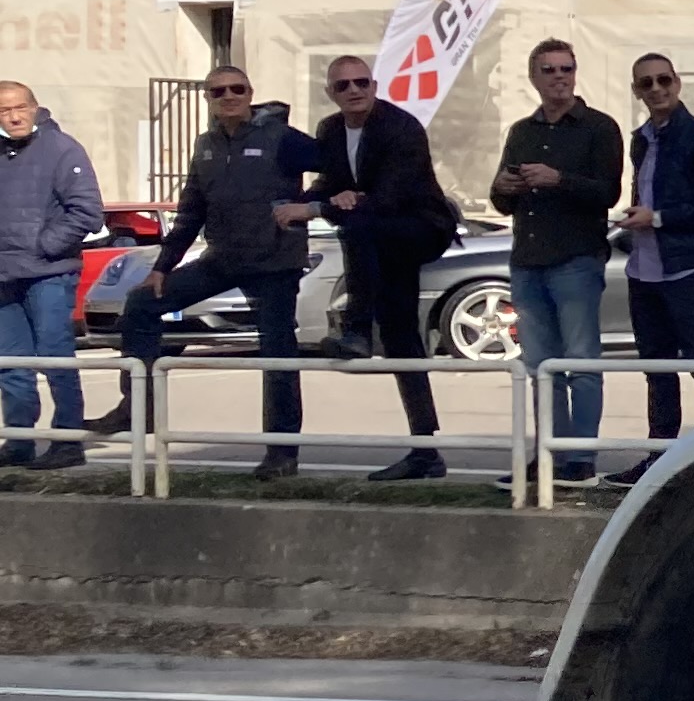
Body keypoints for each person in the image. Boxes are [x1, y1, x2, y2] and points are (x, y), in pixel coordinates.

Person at [101, 61, 319, 480]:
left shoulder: (284, 138)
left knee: (278, 356)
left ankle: (282, 453)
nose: (229, 97)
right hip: (222, 259)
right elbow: (190, 212)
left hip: (275, 263)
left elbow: (335, 165)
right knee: (142, 303)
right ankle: (137, 409)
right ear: (208, 100)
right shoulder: (206, 145)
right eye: (218, 92)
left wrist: (312, 206)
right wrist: (163, 266)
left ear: (250, 92)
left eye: (236, 89)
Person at [312, 52, 462, 483]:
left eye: (362, 82)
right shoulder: (330, 130)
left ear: (375, 86)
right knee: (400, 334)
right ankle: (425, 448)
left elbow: (391, 196)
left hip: (420, 226)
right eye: (343, 85)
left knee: (358, 227)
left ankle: (357, 328)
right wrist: (309, 202)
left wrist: (333, 203)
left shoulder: (401, 127)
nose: (354, 90)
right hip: (379, 235)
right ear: (331, 93)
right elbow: (329, 184)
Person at [486, 39, 624, 485]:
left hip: (575, 258)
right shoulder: (522, 132)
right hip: (527, 258)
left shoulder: (599, 127)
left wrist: (558, 179)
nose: (559, 77)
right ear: (534, 77)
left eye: (566, 68)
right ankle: (548, 453)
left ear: (575, 73)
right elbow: (501, 202)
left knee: (581, 360)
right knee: (539, 366)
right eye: (549, 70)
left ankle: (579, 457)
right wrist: (504, 186)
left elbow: (608, 193)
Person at [615, 53, 694, 447]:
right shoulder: (641, 138)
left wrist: (656, 218)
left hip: (688, 269)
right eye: (646, 83)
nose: (656, 89)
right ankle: (659, 454)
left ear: (677, 82)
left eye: (663, 80)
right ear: (636, 90)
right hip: (643, 270)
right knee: (657, 369)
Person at [0, 80, 103, 472]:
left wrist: (42, 246)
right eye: (5, 110)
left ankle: (67, 441)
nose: (14, 116)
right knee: (11, 364)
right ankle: (20, 440)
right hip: (5, 278)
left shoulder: (61, 149)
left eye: (20, 107)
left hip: (49, 275)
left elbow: (88, 212)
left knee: (56, 358)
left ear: (35, 107)